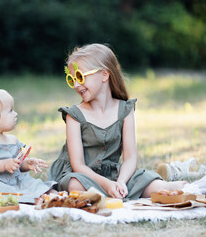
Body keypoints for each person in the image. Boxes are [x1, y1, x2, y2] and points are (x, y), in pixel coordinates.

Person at [48, 43, 186, 200]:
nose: (77, 85)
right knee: (75, 185)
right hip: (82, 175)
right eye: (72, 79)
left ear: (104, 75)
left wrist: (120, 182)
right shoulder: (74, 115)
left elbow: (130, 158)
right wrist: (107, 184)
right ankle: (108, 193)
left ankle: (171, 187)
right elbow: (78, 165)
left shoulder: (125, 110)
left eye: (80, 76)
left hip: (114, 175)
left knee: (155, 186)